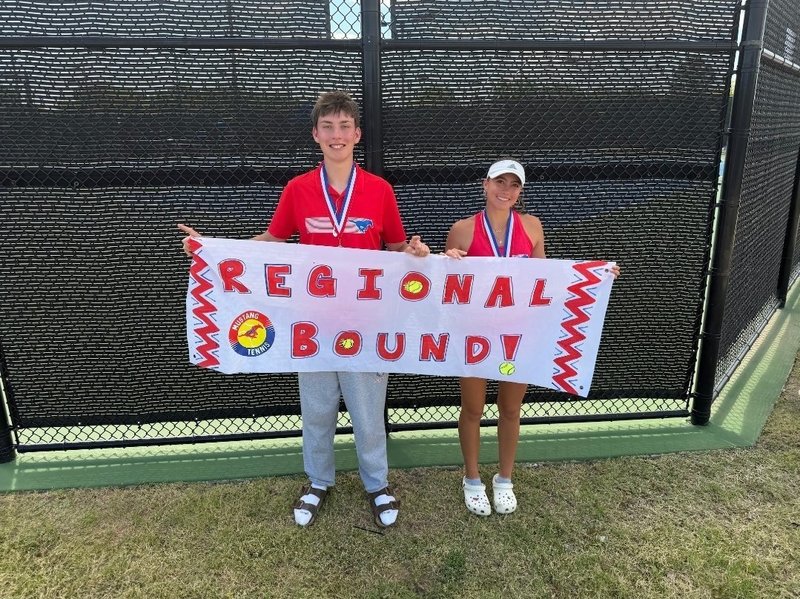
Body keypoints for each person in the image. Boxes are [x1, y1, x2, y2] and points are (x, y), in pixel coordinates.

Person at [179, 91, 429, 528]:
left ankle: (377, 484)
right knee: (317, 409)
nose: (337, 135)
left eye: (344, 127)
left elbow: (394, 248)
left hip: (367, 323)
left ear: (357, 134)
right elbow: (272, 242)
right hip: (312, 324)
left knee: (368, 412)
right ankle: (318, 480)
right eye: (328, 127)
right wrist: (213, 250)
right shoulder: (298, 189)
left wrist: (415, 252)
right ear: (316, 135)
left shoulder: (379, 190)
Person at [444, 159, 619, 516]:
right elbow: (448, 287)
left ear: (520, 191)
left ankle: (504, 479)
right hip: (476, 334)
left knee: (510, 408)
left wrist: (596, 276)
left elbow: (546, 279)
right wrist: (448, 262)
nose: (505, 190)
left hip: (519, 334)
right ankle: (472, 478)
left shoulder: (532, 225)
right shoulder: (462, 229)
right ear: (485, 184)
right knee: (473, 408)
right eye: (499, 182)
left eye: (514, 184)